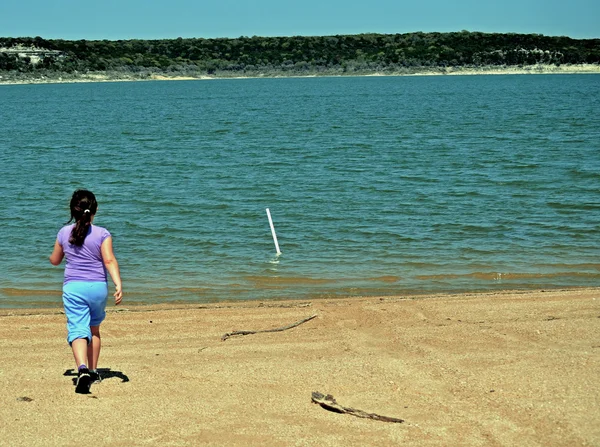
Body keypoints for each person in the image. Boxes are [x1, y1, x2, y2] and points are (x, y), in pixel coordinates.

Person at [49, 189, 123, 394]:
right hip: (98, 288)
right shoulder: (102, 233)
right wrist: (118, 283)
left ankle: (81, 369)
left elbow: (55, 261)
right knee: (94, 330)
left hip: (74, 288)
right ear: (95, 210)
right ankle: (93, 370)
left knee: (77, 329)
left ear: (73, 210)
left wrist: (52, 256)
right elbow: (109, 260)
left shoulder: (64, 233)